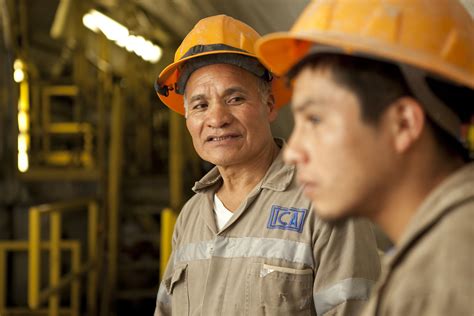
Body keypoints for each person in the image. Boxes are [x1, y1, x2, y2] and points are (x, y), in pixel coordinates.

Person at [256, 0, 474, 315]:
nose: (292, 152)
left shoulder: (451, 268)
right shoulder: (430, 255)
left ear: (403, 124)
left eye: (315, 119)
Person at [153, 14, 380, 316]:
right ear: (188, 120)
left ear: (269, 106)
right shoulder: (191, 216)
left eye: (235, 98)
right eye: (200, 105)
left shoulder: (329, 206)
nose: (217, 118)